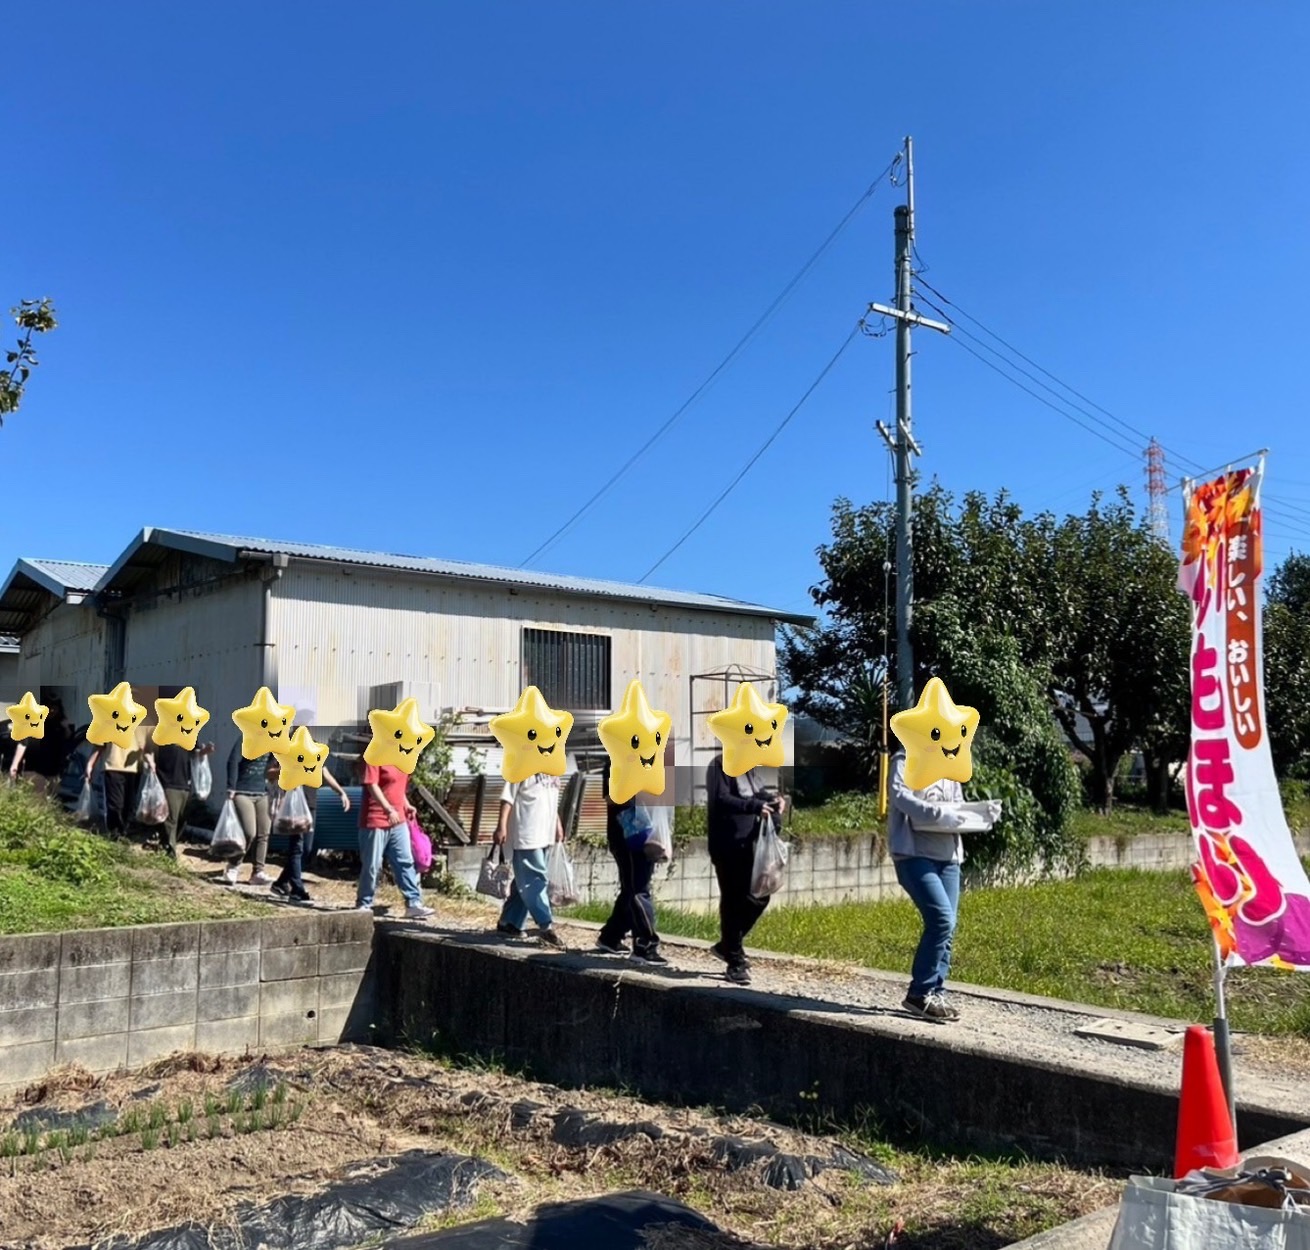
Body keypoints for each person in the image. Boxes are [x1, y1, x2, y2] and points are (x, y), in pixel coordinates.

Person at [888, 749, 999, 1023]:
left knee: (948, 927)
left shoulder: (950, 765)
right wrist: (935, 813)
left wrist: (981, 814)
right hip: (914, 854)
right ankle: (919, 993)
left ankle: (936, 991)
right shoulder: (905, 759)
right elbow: (900, 796)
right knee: (941, 920)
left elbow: (957, 807)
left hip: (949, 857)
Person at [705, 752, 787, 986]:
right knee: (733, 899)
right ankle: (735, 961)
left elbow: (756, 793)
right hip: (726, 844)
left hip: (750, 843)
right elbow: (722, 799)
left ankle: (727, 945)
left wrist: (772, 800)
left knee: (760, 896)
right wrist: (754, 806)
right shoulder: (719, 765)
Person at [595, 761, 665, 964]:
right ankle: (645, 945)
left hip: (648, 834)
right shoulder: (616, 760)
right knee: (638, 889)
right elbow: (611, 798)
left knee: (632, 888)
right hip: (627, 836)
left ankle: (610, 936)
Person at [492, 772, 566, 949]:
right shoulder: (521, 765)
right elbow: (507, 798)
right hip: (526, 833)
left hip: (545, 833)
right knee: (535, 880)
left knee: (523, 881)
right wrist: (501, 826)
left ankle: (510, 922)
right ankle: (546, 925)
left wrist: (557, 823)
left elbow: (550, 798)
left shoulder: (553, 769)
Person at [356, 759, 433, 919]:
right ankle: (364, 902)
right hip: (375, 818)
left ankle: (413, 903)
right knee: (372, 865)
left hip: (399, 819)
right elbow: (372, 785)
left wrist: (406, 805)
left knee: (405, 862)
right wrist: (388, 809)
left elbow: (397, 788)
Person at [266, 758, 350, 903]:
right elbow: (269, 773)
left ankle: (281, 882)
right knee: (297, 847)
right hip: (293, 804)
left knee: (307, 849)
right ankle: (297, 889)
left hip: (310, 805)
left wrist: (341, 792)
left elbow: (324, 773)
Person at [86, 716, 151, 837]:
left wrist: (152, 762)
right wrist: (90, 764)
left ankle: (123, 833)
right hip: (113, 766)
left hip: (135, 768)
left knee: (130, 805)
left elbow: (149, 746)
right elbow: (100, 745)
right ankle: (114, 833)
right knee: (115, 805)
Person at [151, 738, 216, 858]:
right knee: (171, 819)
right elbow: (149, 750)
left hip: (185, 783)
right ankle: (169, 851)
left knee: (182, 819)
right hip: (168, 782)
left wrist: (205, 751)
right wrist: (150, 764)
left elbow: (195, 754)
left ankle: (165, 843)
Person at [222, 737, 274, 885]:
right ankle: (233, 865)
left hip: (262, 793)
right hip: (242, 792)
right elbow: (233, 761)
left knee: (264, 832)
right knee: (248, 832)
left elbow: (273, 761)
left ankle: (258, 872)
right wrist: (231, 787)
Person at [8, 698, 73, 799]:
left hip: (53, 769)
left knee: (53, 800)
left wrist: (66, 727)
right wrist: (15, 764)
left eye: (54, 708)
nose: (51, 711)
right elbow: (24, 743)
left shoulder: (60, 725)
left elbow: (67, 739)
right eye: (49, 708)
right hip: (35, 768)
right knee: (39, 800)